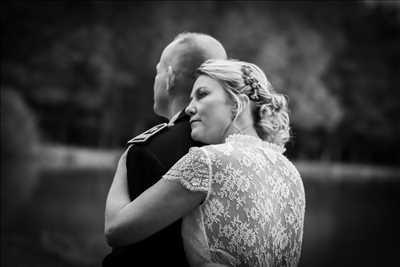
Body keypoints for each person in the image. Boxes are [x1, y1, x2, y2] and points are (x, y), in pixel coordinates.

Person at [105, 59, 306, 266]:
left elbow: (116, 231)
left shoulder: (208, 161)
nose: (190, 108)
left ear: (238, 102)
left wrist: (126, 158)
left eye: (202, 95)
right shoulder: (291, 173)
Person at [103, 33, 227, 266]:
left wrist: (127, 158)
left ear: (169, 78)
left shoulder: (150, 150)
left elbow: (126, 248)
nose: (156, 78)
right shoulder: (234, 147)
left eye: (158, 70)